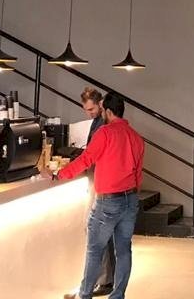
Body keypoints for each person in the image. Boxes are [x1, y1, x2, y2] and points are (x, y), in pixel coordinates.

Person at [54, 94, 145, 299]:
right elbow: (138, 175)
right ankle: (117, 295)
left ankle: (85, 294)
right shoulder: (136, 137)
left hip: (108, 201)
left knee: (95, 249)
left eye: (102, 110)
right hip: (130, 200)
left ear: (109, 112)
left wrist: (59, 174)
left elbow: (86, 159)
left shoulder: (104, 133)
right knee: (124, 250)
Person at [79, 87, 115, 295]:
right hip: (100, 179)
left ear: (100, 104)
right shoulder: (98, 121)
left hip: (102, 181)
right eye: (86, 110)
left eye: (91, 109)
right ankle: (104, 278)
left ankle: (103, 280)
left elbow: (96, 153)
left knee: (96, 229)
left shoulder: (103, 124)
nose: (89, 113)